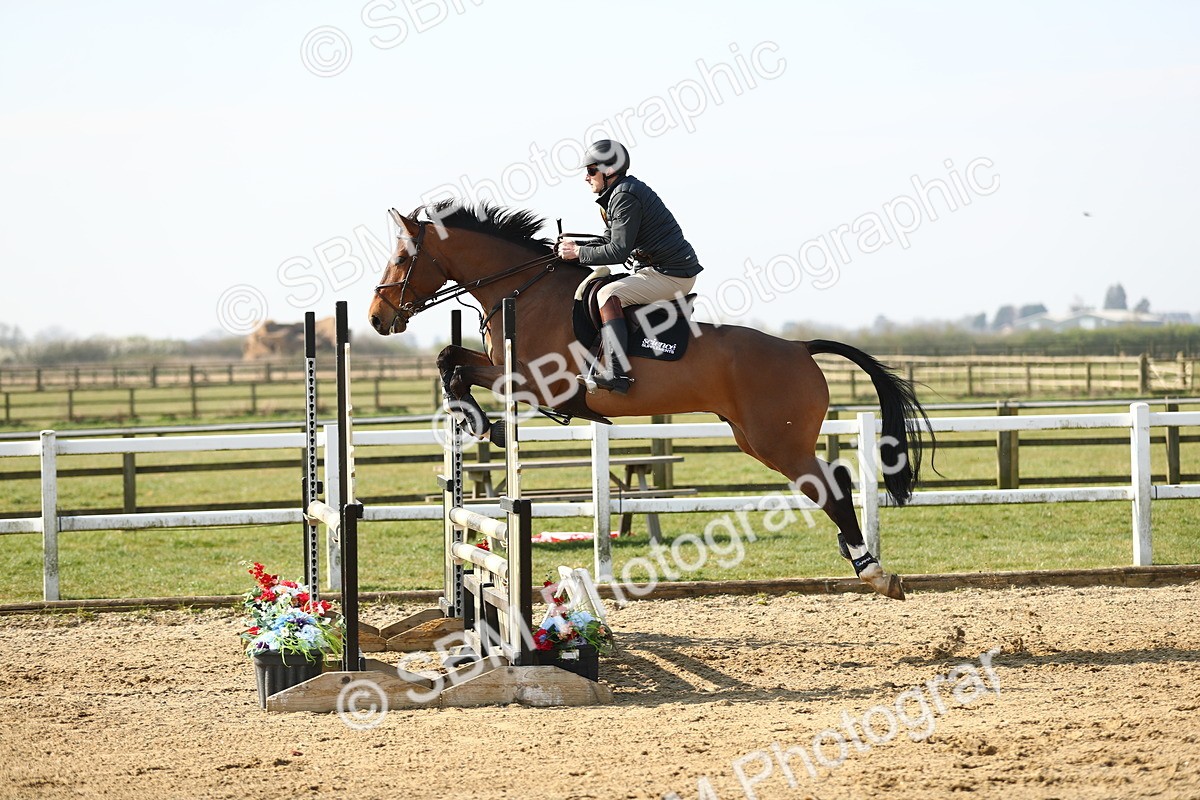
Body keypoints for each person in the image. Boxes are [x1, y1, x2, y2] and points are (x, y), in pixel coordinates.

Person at [556, 140, 703, 394]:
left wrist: (579, 252)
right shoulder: (617, 194)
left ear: (609, 170)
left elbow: (617, 251)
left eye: (591, 170)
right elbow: (609, 240)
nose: (586, 177)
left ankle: (616, 373)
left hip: (672, 274)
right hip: (658, 269)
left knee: (607, 294)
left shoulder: (624, 195)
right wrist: (574, 247)